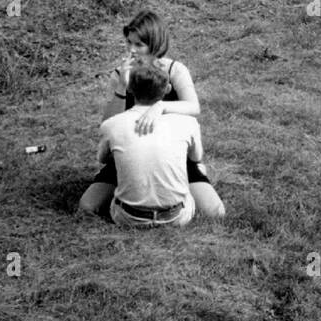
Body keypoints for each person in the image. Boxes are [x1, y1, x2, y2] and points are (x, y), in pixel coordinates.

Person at [78, 11, 226, 220]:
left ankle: (190, 176)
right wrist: (122, 86)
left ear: (155, 44)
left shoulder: (175, 70)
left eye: (139, 45)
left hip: (170, 149)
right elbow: (109, 122)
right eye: (128, 43)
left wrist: (160, 107)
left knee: (215, 211)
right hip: (132, 146)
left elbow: (194, 107)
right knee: (87, 206)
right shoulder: (121, 73)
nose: (131, 50)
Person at [95, 60, 203, 228]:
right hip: (177, 217)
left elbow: (102, 160)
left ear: (130, 89)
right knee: (196, 175)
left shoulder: (111, 124)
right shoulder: (188, 123)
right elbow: (196, 157)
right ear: (167, 90)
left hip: (127, 218)